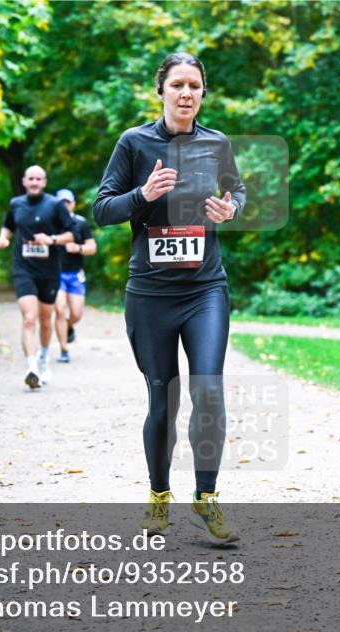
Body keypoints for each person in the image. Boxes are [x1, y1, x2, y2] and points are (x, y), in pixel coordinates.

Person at [93, 52, 246, 543]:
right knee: (163, 397)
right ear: (160, 90)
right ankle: (159, 496)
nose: (186, 93)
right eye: (177, 84)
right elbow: (102, 209)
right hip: (151, 293)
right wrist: (143, 194)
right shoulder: (134, 142)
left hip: (205, 288)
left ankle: (206, 496)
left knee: (209, 389)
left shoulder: (217, 143)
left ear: (203, 93)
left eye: (194, 86)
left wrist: (230, 210)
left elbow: (238, 192)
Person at [0, 165, 75, 389]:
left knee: (45, 319)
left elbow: (72, 234)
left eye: (38, 179)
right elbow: (7, 226)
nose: (34, 182)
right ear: (24, 181)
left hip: (48, 270)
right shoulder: (16, 204)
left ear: (44, 182)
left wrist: (52, 239)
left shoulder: (55, 205)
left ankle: (43, 358)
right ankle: (31, 368)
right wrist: (3, 238)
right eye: (31, 178)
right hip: (23, 268)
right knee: (29, 318)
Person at [53, 188, 97, 363]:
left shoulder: (80, 223)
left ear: (73, 204)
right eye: (61, 203)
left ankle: (69, 326)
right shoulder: (50, 223)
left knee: (77, 314)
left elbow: (92, 248)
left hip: (75, 274)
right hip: (55, 274)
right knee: (59, 310)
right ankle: (64, 350)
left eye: (68, 202)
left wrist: (78, 248)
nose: (65, 205)